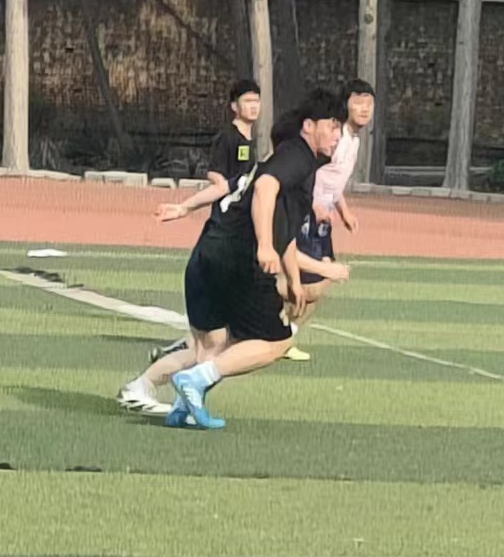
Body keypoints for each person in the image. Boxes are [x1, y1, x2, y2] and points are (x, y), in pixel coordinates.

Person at [123, 88, 347, 431]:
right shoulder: (297, 156)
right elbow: (265, 189)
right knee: (277, 341)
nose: (337, 135)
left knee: (213, 347)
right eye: (332, 126)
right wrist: (266, 247)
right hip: (237, 260)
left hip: (208, 253)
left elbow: (283, 234)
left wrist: (294, 279)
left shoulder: (291, 168)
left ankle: (160, 395)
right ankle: (194, 382)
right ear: (308, 126)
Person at [133, 79, 263, 383]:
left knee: (221, 329)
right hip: (224, 232)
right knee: (220, 332)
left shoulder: (249, 141)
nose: (253, 106)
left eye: (256, 101)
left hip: (237, 231)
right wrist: (186, 207)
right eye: (247, 101)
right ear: (234, 106)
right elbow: (218, 180)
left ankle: (184, 351)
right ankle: (166, 371)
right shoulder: (227, 138)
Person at [286, 79, 373, 361]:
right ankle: (267, 323)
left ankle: (286, 335)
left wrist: (343, 210)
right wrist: (313, 205)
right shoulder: (336, 138)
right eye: (358, 102)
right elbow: (310, 172)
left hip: (322, 218)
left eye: (369, 104)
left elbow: (334, 182)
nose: (364, 109)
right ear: (345, 105)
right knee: (310, 280)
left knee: (320, 282)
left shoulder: (354, 141)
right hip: (307, 214)